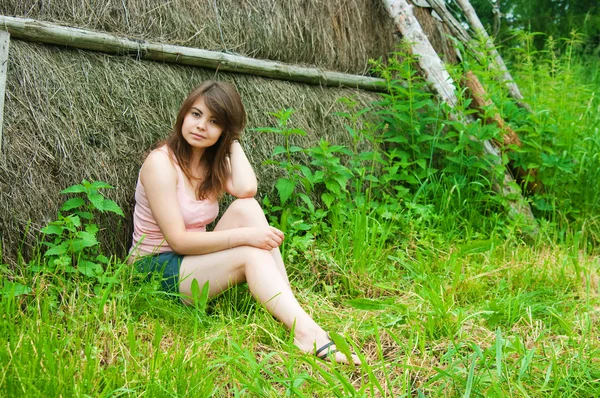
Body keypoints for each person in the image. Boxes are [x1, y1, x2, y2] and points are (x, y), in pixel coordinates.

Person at [128, 80, 360, 365]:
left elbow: (247, 189)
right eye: (196, 114)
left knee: (247, 208)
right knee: (250, 251)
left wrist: (232, 142)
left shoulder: (211, 164)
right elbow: (178, 240)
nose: (201, 126)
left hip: (190, 259)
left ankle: (288, 306)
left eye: (215, 121)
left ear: (225, 130)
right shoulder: (161, 163)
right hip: (152, 269)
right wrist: (246, 238)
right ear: (183, 115)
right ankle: (306, 333)